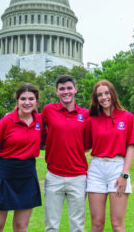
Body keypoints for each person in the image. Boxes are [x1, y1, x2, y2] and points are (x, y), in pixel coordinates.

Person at [0, 83, 44, 232]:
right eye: (23, 98)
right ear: (17, 101)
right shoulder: (5, 122)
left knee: (21, 227)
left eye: (31, 98)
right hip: (3, 176)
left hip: (27, 176)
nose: (27, 102)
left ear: (36, 101)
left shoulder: (40, 121)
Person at [84, 80, 134, 232]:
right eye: (99, 95)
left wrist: (124, 174)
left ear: (112, 94)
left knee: (117, 224)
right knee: (96, 224)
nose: (104, 97)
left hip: (118, 169)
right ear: (96, 99)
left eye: (106, 93)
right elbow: (85, 146)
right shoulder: (92, 119)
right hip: (96, 169)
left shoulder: (127, 117)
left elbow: (130, 146)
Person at [42, 75, 89, 232]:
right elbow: (33, 123)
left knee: (77, 226)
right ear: (56, 91)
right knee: (51, 226)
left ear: (75, 89)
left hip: (78, 176)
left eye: (69, 88)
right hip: (54, 175)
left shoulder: (86, 114)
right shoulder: (48, 110)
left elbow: (89, 143)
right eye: (62, 89)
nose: (66, 92)